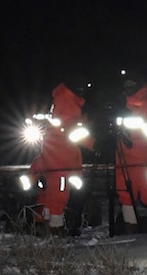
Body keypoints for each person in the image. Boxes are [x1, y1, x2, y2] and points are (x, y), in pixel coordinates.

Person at [20, 83, 94, 236]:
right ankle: (55, 228)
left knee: (50, 193)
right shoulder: (68, 104)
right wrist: (94, 145)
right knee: (59, 195)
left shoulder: (60, 100)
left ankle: (45, 224)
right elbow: (73, 131)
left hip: (52, 156)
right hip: (62, 159)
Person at [114, 80, 147, 233]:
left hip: (144, 159)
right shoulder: (121, 104)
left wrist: (128, 127)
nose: (127, 86)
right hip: (124, 158)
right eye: (126, 83)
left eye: (131, 82)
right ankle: (130, 230)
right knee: (124, 194)